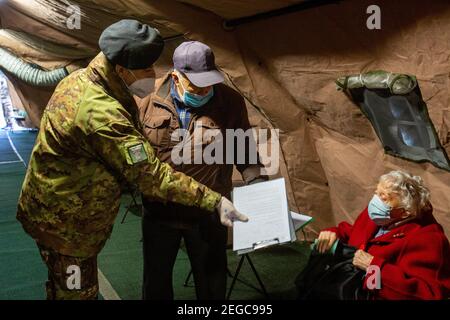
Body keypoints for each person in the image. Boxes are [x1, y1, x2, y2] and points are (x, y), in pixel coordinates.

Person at [16, 20, 247, 300]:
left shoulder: (82, 80)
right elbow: (149, 174)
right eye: (146, 69)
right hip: (70, 226)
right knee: (77, 292)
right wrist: (215, 200)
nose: (152, 74)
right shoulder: (103, 114)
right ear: (122, 70)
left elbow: (243, 147)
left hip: (61, 212)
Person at [139, 41, 267, 300]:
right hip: (160, 210)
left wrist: (259, 189)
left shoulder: (229, 101)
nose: (206, 89)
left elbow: (243, 150)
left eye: (209, 81)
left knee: (212, 283)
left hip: (209, 211)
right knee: (156, 282)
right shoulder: (147, 100)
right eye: (197, 84)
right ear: (176, 76)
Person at [313, 170, 450, 299]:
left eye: (384, 198)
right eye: (377, 192)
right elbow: (355, 233)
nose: (376, 201)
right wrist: (334, 233)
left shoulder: (429, 240)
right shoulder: (378, 215)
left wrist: (374, 267)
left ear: (405, 212)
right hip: (349, 287)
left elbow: (429, 294)